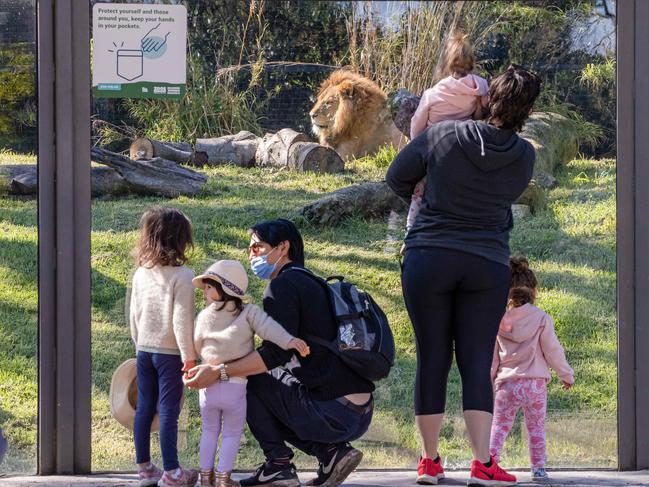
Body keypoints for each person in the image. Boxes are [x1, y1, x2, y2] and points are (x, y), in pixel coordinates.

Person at [386, 65, 541, 487]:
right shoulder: (525, 155)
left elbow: (396, 176)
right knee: (475, 362)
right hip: (486, 262)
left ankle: (430, 463)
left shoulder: (443, 136)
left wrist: (430, 193)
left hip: (428, 256)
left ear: (488, 99)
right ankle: (482, 463)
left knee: (432, 356)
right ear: (528, 110)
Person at [185, 218, 374, 487]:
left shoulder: (282, 287)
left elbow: (275, 354)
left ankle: (278, 465)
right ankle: (331, 453)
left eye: (258, 247)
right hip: (358, 412)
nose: (251, 255)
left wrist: (219, 372)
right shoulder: (312, 281)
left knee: (246, 379)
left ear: (283, 247)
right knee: (263, 379)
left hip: (334, 414)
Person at [191, 259, 310, 487]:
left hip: (208, 388)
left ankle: (205, 477)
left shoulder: (204, 316)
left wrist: (198, 362)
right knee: (231, 434)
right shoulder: (248, 312)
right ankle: (224, 478)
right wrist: (290, 341)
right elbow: (270, 329)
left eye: (208, 286)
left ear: (225, 288)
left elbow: (196, 345)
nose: (204, 291)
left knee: (209, 431)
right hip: (235, 387)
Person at [129, 206, 198, 487]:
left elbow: (133, 314)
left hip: (144, 349)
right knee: (170, 409)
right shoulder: (183, 276)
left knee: (144, 407)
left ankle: (145, 468)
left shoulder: (141, 273)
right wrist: (189, 356)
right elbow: (182, 320)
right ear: (181, 239)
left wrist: (139, 344)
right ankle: (172, 472)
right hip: (170, 354)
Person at [489, 256, 574, 482]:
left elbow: (493, 358)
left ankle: (489, 463)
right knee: (536, 428)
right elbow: (553, 351)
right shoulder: (542, 319)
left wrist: (489, 382)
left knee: (499, 427)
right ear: (534, 290)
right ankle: (538, 470)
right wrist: (566, 374)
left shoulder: (498, 320)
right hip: (535, 385)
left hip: (507, 385)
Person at [406, 30, 489, 234]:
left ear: (448, 63)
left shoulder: (433, 93)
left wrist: (415, 148)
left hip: (434, 148)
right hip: (464, 147)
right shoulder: (482, 87)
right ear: (471, 62)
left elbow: (417, 125)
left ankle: (411, 230)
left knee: (419, 191)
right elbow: (479, 115)